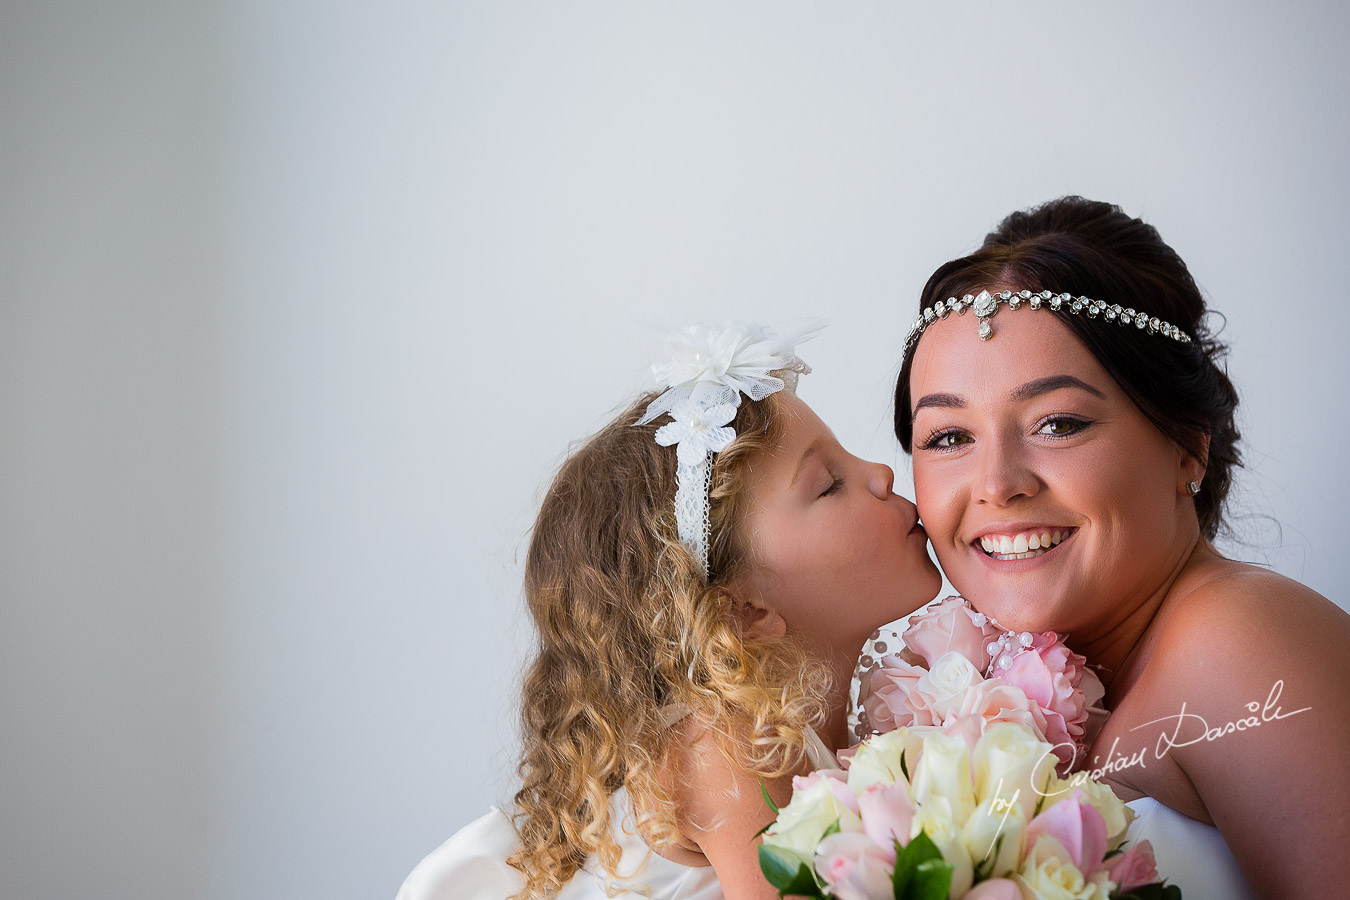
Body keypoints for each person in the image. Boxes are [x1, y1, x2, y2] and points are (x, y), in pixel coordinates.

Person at [891, 196, 1350, 899]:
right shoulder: (1026, 682)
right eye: (950, 437)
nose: (998, 484)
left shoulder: (1239, 642)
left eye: (1058, 423)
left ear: (1186, 447)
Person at [399, 322, 942, 900]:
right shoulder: (727, 745)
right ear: (743, 611)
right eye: (829, 484)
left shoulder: (805, 723)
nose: (883, 474)